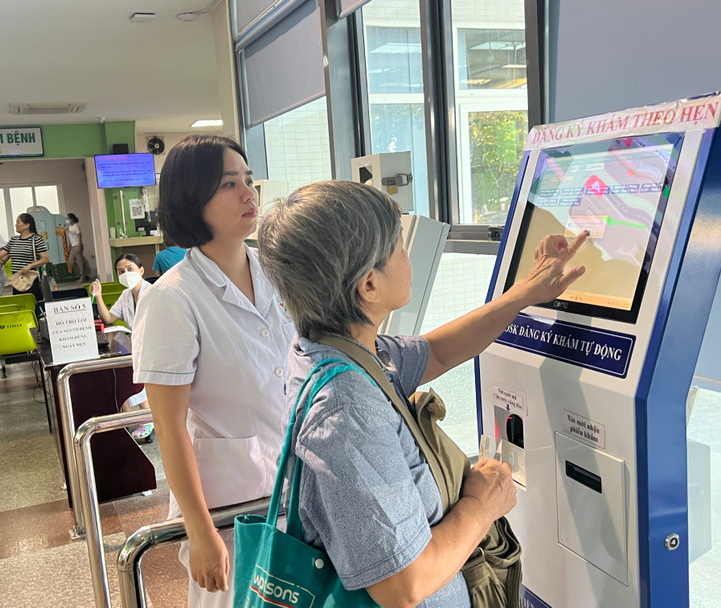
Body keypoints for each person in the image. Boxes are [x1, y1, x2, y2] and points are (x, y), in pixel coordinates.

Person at [257, 181, 587, 608]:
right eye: (398, 247)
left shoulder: (334, 349)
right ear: (369, 286)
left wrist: (525, 294)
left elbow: (440, 351)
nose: (407, 256)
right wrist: (482, 503)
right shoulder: (346, 411)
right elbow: (403, 585)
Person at [130, 134, 295, 608]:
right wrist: (200, 531)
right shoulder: (172, 298)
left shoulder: (279, 272)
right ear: (192, 198)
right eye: (228, 184)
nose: (248, 194)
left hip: (297, 488)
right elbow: (168, 429)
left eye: (249, 180)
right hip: (228, 508)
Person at [90, 253, 153, 439]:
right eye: (121, 271)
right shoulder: (126, 295)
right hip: (138, 344)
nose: (126, 274)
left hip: (153, 346)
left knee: (128, 374)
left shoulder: (152, 293)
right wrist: (98, 296)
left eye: (130, 269)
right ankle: (128, 413)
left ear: (141, 270)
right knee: (118, 368)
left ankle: (146, 417)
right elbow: (109, 318)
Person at [0, 213, 49, 302]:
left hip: (30, 277)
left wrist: (30, 266)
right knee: (19, 303)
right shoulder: (14, 240)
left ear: (27, 225)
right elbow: (1, 255)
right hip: (16, 278)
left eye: (18, 222)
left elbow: (45, 258)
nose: (16, 225)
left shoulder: (36, 239)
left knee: (33, 302)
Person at [66, 213, 89, 281]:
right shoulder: (70, 226)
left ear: (72, 219)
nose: (67, 220)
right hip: (73, 246)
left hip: (77, 245)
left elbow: (79, 236)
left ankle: (82, 276)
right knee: (71, 261)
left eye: (68, 218)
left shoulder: (76, 226)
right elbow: (71, 237)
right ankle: (79, 274)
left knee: (79, 261)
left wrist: (79, 244)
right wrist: (69, 246)